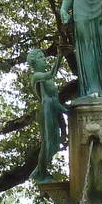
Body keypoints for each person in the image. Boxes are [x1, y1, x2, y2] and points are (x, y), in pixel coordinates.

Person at [26, 48, 68, 181]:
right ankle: (40, 172)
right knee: (48, 143)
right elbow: (52, 74)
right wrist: (60, 56)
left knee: (54, 145)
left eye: (44, 57)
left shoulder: (47, 79)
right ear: (34, 62)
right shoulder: (37, 76)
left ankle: (41, 171)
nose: (44, 60)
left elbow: (55, 100)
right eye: (41, 58)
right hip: (46, 111)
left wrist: (66, 113)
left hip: (53, 110)